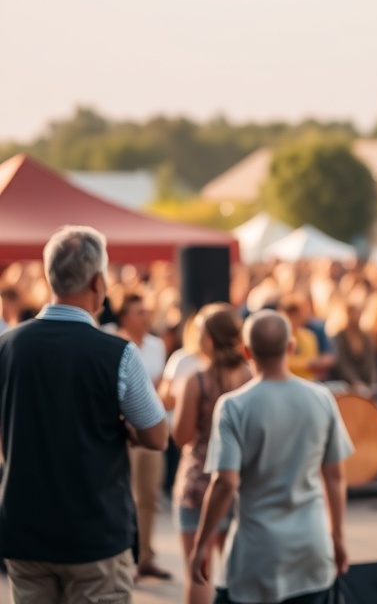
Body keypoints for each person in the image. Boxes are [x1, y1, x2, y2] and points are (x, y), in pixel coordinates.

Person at [0, 225, 168, 602]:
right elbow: (157, 437)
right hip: (95, 532)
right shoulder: (119, 354)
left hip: (25, 528)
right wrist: (125, 430)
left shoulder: (6, 347)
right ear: (98, 283)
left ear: (48, 277)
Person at [190, 310, 352, 604]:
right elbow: (335, 477)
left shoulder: (233, 407)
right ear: (291, 347)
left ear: (246, 351)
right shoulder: (321, 399)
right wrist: (337, 538)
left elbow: (225, 483)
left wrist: (201, 544)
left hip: (255, 554)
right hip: (310, 549)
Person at [172, 304, 253, 604]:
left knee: (199, 568)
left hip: (199, 480)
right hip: (240, 479)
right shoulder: (249, 376)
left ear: (207, 339)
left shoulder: (196, 380)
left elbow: (182, 436)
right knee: (237, 571)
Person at [115, 291, 174, 581]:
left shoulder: (156, 345)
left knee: (149, 495)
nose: (146, 317)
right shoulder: (110, 340)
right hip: (120, 429)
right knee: (123, 493)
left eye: (146, 311)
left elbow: (159, 386)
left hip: (148, 427)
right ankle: (126, 556)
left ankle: (145, 556)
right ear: (124, 316)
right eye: (139, 312)